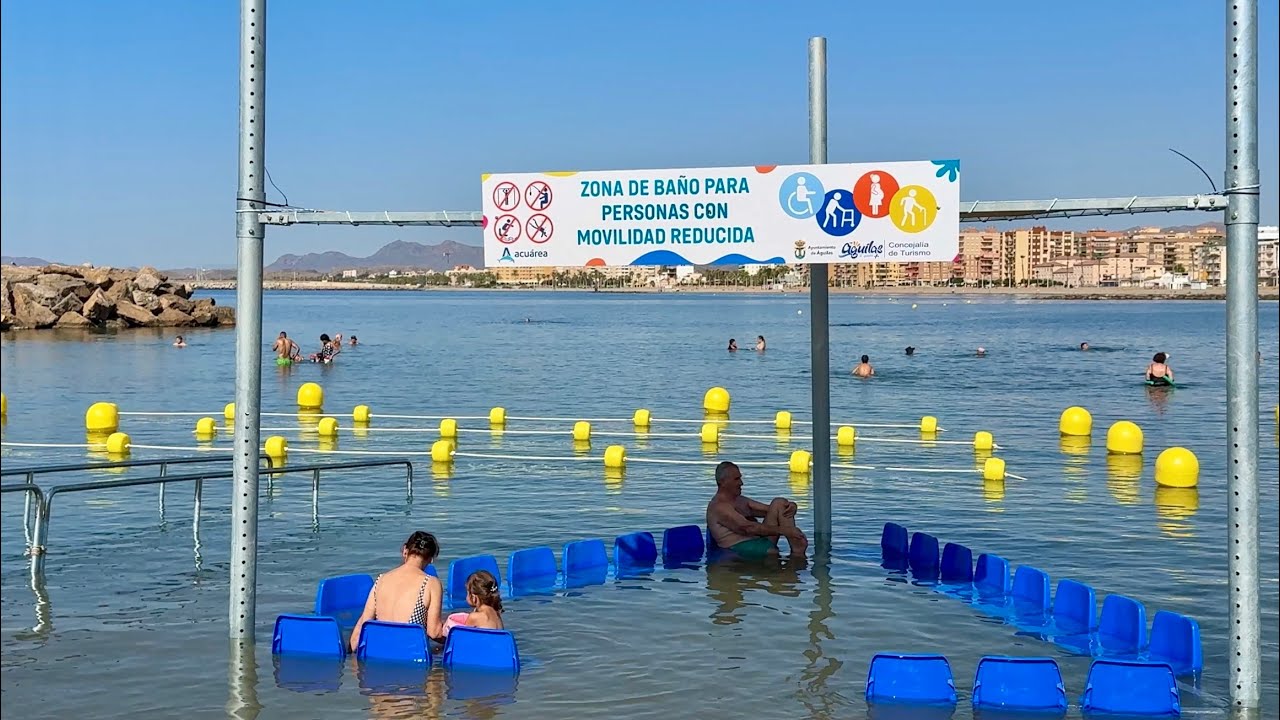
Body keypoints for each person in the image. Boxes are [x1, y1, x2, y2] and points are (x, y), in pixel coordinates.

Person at [350, 531, 446, 651]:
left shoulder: (381, 579)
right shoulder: (431, 583)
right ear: (431, 559)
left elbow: (362, 625)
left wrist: (353, 660)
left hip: (379, 652)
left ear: (405, 550)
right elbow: (434, 632)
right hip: (410, 656)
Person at [706, 461, 808, 560]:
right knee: (772, 552)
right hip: (736, 547)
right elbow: (748, 528)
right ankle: (796, 559)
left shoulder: (739, 500)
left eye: (740, 478)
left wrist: (792, 506)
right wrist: (786, 531)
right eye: (736, 479)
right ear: (722, 482)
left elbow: (775, 510)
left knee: (779, 503)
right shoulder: (719, 507)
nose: (741, 483)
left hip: (756, 540)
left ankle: (797, 549)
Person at [443, 570, 505, 636]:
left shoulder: (474, 617)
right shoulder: (497, 614)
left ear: (474, 597)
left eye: (467, 592)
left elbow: (465, 638)